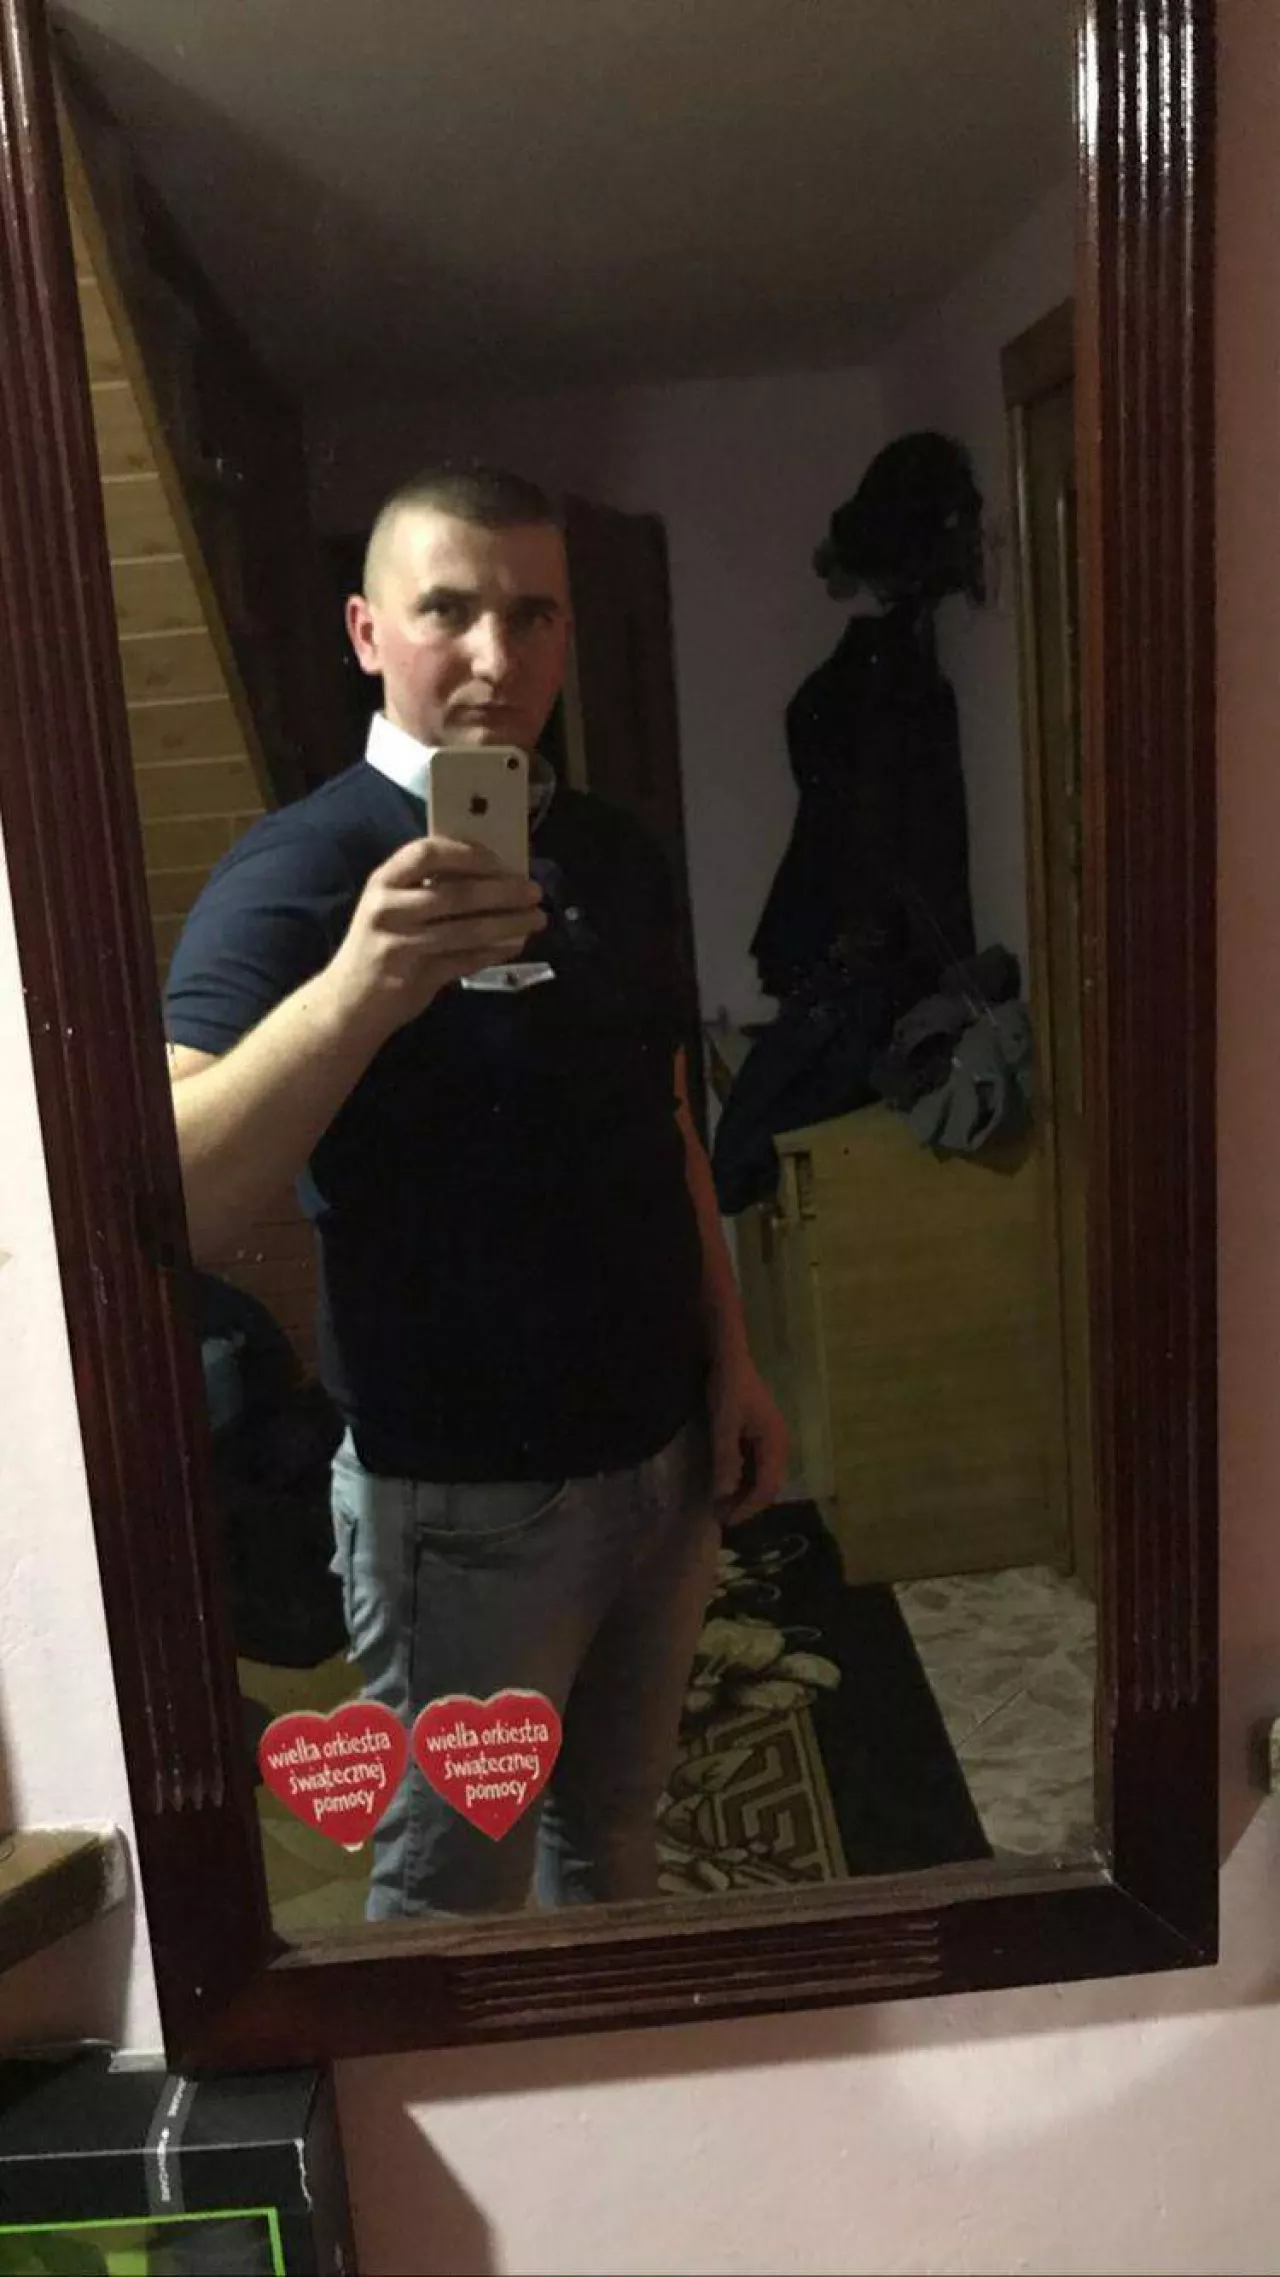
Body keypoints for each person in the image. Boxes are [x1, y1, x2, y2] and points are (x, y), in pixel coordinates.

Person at [164, 463, 788, 1919]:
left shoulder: (614, 854)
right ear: (366, 631)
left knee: (614, 1834)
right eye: (449, 610)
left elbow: (665, 1118)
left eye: (534, 614)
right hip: (459, 1507)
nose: (498, 657)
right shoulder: (301, 871)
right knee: (455, 1890)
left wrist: (735, 1359)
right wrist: (359, 992)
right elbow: (177, 1193)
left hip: (662, 1460)